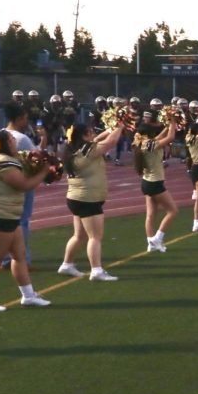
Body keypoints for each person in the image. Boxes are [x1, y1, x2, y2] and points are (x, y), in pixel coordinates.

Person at [0, 130, 56, 312]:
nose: (14, 142)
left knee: (19, 256)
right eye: (12, 140)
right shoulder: (3, 162)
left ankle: (28, 295)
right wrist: (43, 172)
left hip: (9, 215)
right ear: (5, 144)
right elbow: (24, 185)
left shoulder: (4, 159)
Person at [58, 120, 126, 281]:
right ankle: (96, 270)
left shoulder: (75, 149)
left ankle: (67, 264)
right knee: (95, 237)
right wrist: (120, 127)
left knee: (79, 236)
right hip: (88, 199)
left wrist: (111, 127)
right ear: (83, 136)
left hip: (75, 198)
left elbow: (98, 140)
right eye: (90, 132)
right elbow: (111, 141)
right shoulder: (88, 150)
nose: (93, 134)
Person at [134, 116, 179, 252]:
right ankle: (157, 238)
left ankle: (150, 243)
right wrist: (172, 123)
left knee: (150, 214)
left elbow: (159, 137)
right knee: (173, 211)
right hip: (155, 183)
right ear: (148, 135)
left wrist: (167, 126)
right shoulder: (149, 144)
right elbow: (170, 138)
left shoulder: (142, 143)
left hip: (147, 182)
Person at [2, 102, 38, 266]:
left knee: (5, 221)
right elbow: (37, 158)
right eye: (25, 119)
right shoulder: (21, 139)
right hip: (21, 181)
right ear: (18, 119)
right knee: (22, 221)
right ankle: (22, 258)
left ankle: (5, 258)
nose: (27, 122)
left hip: (3, 183)